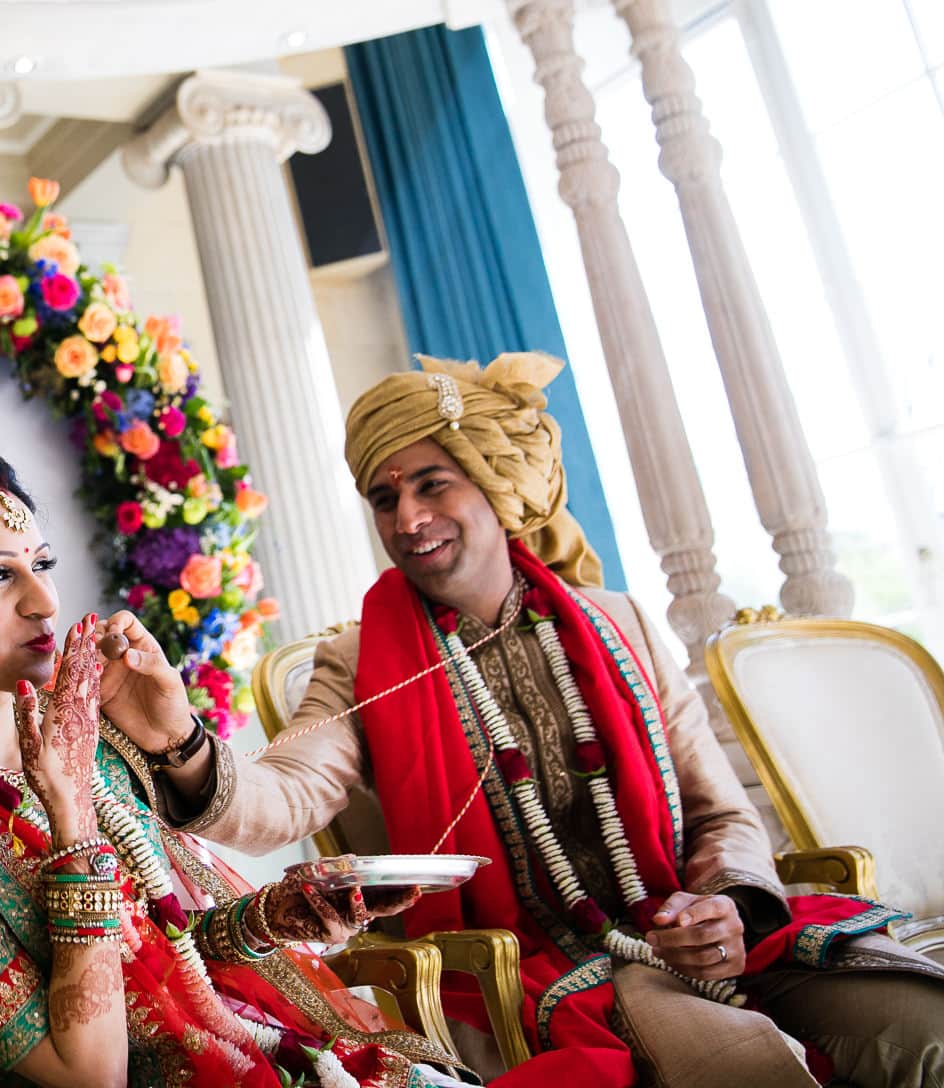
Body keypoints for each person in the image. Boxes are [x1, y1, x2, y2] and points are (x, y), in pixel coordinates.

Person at [98, 352, 944, 1086]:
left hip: (715, 931)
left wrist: (729, 905)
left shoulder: (619, 622)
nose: (408, 518)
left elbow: (722, 813)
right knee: (736, 1066)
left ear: (497, 492)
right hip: (567, 970)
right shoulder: (361, 661)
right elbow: (282, 792)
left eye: (433, 485)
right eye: (384, 498)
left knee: (922, 1032)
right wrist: (180, 737)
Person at [0, 439, 471, 1087]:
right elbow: (92, 1073)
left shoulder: (89, 743)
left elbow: (165, 956)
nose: (44, 602)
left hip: (257, 1055)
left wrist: (274, 915)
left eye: (42, 564)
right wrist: (74, 832)